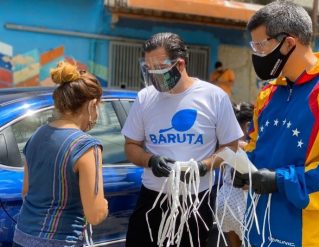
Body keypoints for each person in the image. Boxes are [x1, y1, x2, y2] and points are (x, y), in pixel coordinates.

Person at [233, 1, 319, 247]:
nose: (256, 55)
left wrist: (281, 180)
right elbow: (255, 145)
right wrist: (243, 169)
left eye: (261, 46)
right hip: (259, 230)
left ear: (288, 43)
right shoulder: (268, 94)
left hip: (311, 236)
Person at [122, 32, 243, 247]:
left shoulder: (214, 97)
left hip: (195, 203)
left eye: (160, 67)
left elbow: (231, 147)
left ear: (180, 64)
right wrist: (151, 161)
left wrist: (205, 166)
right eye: (149, 68)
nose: (154, 73)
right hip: (152, 200)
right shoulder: (145, 98)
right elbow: (131, 146)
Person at [13, 62, 108, 247]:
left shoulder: (37, 135)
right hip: (61, 240)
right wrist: (103, 205)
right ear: (92, 104)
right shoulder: (87, 146)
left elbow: (26, 191)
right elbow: (95, 215)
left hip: (22, 237)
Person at [216, 102, 254, 247]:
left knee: (234, 244)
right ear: (247, 125)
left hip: (225, 199)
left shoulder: (227, 145)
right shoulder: (247, 147)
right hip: (243, 203)